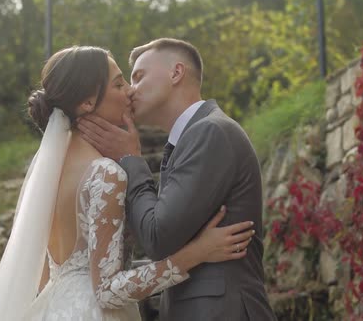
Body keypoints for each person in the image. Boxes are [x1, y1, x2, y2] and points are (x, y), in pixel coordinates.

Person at [0, 46, 256, 321]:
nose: (129, 92)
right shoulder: (104, 173)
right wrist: (197, 253)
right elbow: (107, 292)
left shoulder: (51, 174)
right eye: (120, 83)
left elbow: (51, 273)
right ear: (87, 103)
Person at [77, 38, 277, 320]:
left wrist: (132, 158)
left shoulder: (210, 132)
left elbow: (158, 236)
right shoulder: (192, 137)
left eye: (139, 76)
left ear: (176, 73)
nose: (131, 90)